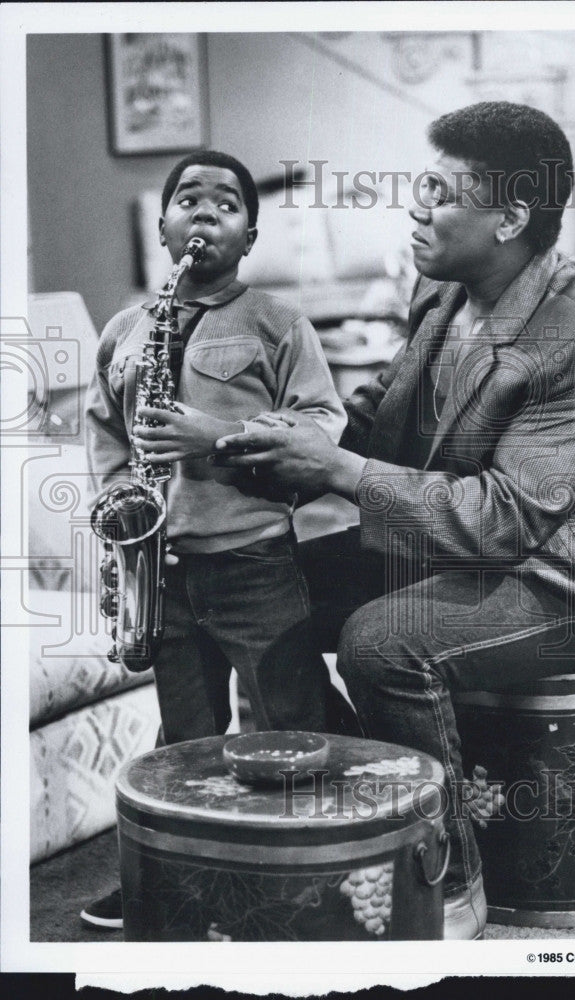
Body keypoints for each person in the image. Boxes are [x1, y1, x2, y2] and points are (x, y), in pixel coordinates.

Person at [212, 103, 575, 939]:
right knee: (252, 587)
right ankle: (350, 802)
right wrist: (287, 442)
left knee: (383, 642)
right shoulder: (441, 282)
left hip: (564, 579)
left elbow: (507, 519)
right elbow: (390, 410)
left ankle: (446, 878)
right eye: (417, 182)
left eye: (439, 192)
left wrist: (340, 474)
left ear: (509, 220)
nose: (414, 207)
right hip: (458, 541)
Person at [82, 150, 347, 929]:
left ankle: (307, 877)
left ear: (250, 234)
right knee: (182, 737)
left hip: (252, 561)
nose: (204, 212)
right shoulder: (124, 329)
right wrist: (115, 514)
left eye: (225, 203)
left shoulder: (277, 323)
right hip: (160, 566)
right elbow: (105, 430)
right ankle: (177, 878)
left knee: (286, 717)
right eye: (186, 201)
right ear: (162, 230)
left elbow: (321, 426)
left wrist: (220, 436)